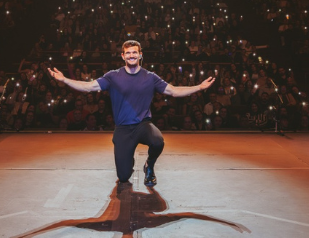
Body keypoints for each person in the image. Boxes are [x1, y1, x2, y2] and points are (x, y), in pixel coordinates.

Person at [48, 40, 215, 187]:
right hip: (123, 129)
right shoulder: (113, 76)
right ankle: (128, 159)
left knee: (158, 141)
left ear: (140, 55)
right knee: (123, 177)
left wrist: (199, 87)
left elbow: (173, 91)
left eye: (135, 52)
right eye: (128, 53)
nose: (131, 55)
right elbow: (88, 87)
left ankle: (149, 165)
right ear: (123, 56)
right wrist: (64, 80)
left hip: (143, 125)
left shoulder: (150, 77)